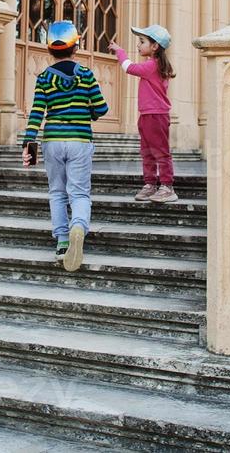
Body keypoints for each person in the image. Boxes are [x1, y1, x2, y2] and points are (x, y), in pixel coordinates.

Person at [22, 20, 108, 272]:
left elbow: (37, 112)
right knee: (79, 193)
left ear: (49, 50)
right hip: (80, 140)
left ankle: (61, 240)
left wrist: (29, 142)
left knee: (57, 192)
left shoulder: (44, 77)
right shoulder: (86, 74)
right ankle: (78, 227)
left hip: (53, 140)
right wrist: (88, 112)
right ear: (76, 47)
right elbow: (102, 108)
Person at [112, 24, 177, 204]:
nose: (138, 45)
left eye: (142, 42)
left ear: (155, 46)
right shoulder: (154, 65)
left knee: (160, 152)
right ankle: (150, 184)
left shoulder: (151, 66)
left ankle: (167, 186)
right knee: (147, 151)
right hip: (147, 115)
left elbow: (129, 68)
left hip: (156, 116)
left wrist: (120, 51)